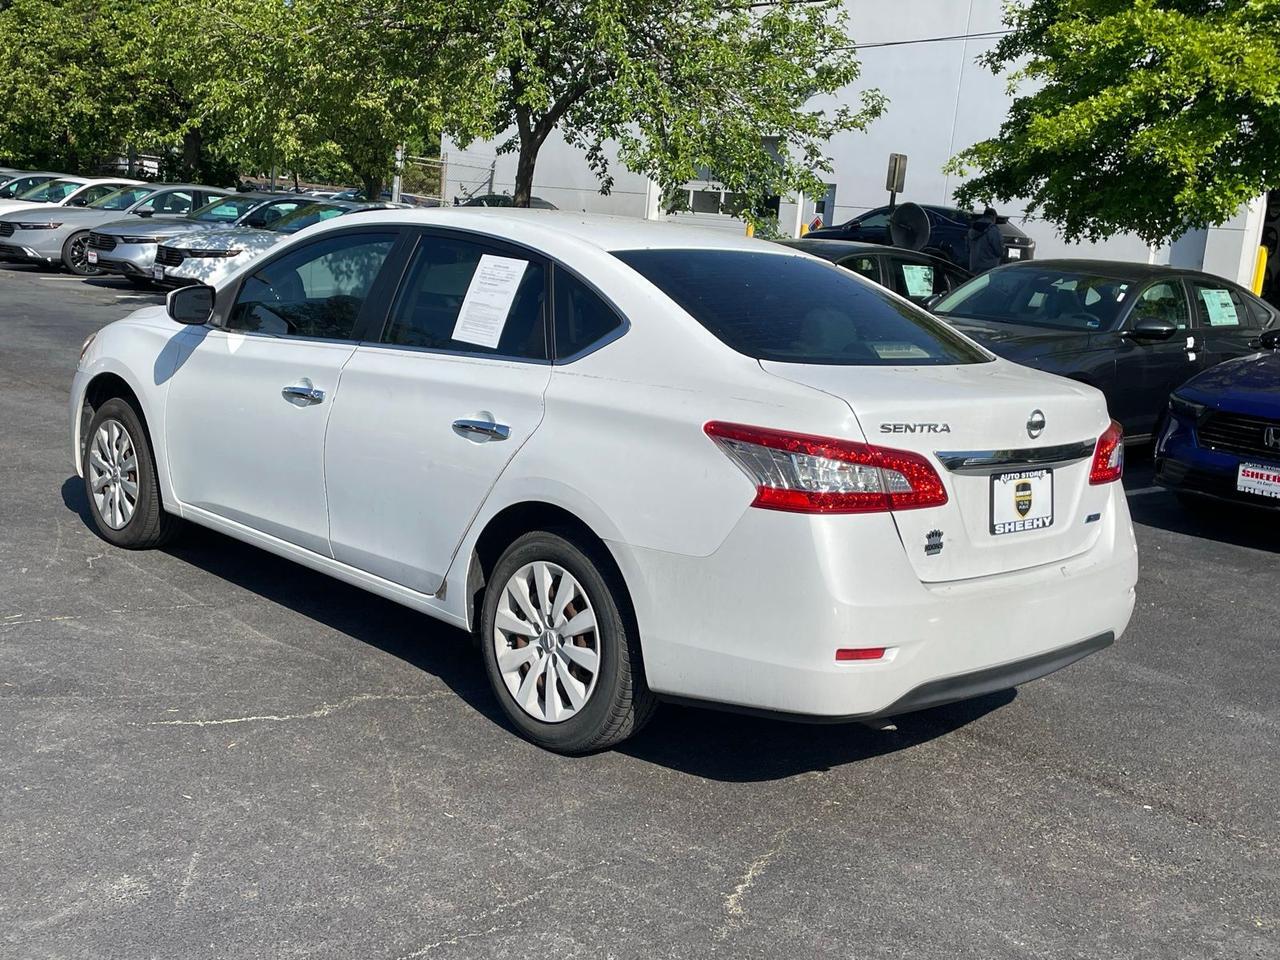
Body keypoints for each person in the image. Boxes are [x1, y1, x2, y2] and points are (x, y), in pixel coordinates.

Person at [967, 206, 1006, 274]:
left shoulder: (972, 230)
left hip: (974, 266)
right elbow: (999, 251)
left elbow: (967, 249)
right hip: (989, 268)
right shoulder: (993, 230)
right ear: (993, 217)